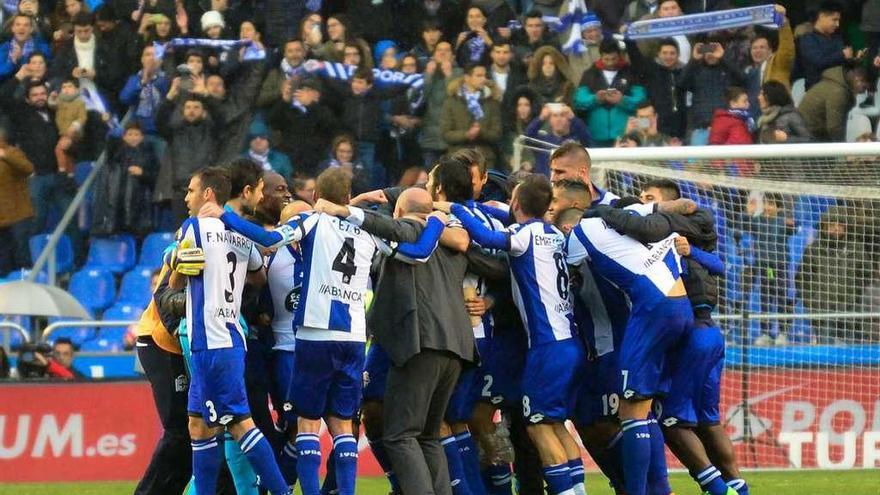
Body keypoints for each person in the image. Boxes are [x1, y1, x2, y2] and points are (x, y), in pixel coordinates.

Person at [445, 174, 588, 495]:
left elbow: (483, 236)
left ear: (517, 203)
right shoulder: (552, 232)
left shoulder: (525, 235)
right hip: (570, 342)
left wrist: (455, 207)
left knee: (538, 426)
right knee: (555, 424)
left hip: (548, 347)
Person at [169, 166, 290, 495]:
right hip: (230, 333)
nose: (186, 198)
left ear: (208, 194)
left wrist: (182, 268)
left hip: (211, 341)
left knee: (240, 424)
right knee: (198, 425)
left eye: (191, 191)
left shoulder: (192, 227)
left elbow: (174, 280)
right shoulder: (241, 234)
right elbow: (258, 275)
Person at [566, 197, 693, 495]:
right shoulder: (640, 225)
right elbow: (687, 208)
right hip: (680, 306)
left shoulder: (583, 231)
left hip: (651, 311)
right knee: (641, 407)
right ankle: (662, 490)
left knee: (632, 410)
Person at [156, 94, 222, 225]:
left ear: (203, 111)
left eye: (196, 107)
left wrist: (206, 95)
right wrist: (169, 97)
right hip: (180, 191)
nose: (192, 110)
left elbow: (220, 117)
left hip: (205, 191)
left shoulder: (212, 131)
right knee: (182, 233)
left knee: (206, 230)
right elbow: (159, 121)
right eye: (188, 107)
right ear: (183, 111)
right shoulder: (174, 132)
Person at [574, 39, 646, 147]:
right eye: (606, 59)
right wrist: (595, 99)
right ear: (601, 56)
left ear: (620, 55)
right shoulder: (590, 74)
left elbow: (642, 100)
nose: (610, 63)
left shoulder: (631, 72)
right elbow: (578, 101)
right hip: (596, 135)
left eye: (614, 59)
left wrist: (622, 100)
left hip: (625, 136)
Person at [90, 122, 158, 236]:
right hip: (117, 206)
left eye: (136, 134)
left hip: (140, 208)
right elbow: (110, 144)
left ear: (142, 137)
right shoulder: (116, 153)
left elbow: (156, 178)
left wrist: (143, 173)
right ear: (124, 136)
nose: (133, 138)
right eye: (129, 134)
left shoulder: (149, 155)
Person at [679, 38, 745, 145]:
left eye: (713, 50)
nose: (710, 54)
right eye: (707, 50)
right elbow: (681, 84)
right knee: (698, 161)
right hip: (701, 128)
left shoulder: (728, 70)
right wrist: (694, 60)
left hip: (725, 127)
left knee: (724, 161)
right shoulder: (695, 70)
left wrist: (724, 58)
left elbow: (743, 79)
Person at [441, 64, 503, 169]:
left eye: (484, 76)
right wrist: (467, 135)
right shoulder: (451, 102)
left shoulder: (492, 103)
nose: (483, 79)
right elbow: (446, 133)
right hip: (457, 159)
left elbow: (496, 134)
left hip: (484, 159)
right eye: (479, 76)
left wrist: (480, 133)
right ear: (467, 78)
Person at [625, 38, 687, 139]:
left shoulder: (685, 72)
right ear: (658, 54)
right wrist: (628, 39)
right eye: (665, 53)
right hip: (654, 128)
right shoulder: (651, 70)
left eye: (672, 53)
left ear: (678, 55)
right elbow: (635, 57)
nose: (668, 56)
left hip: (680, 128)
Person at [797, 1, 857, 91]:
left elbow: (843, 65)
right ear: (822, 16)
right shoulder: (808, 39)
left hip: (840, 89)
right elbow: (818, 62)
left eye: (838, 20)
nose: (837, 24)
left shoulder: (837, 37)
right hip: (818, 92)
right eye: (834, 20)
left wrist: (853, 59)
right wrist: (842, 54)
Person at [0, 128, 34, 276]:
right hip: (2, 220)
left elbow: (28, 168)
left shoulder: (12, 152)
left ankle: (29, 287)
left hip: (19, 215)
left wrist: (4, 155)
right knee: (4, 260)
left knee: (22, 256)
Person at [524, 103, 592, 175]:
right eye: (555, 116)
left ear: (569, 120)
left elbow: (587, 140)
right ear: (550, 120)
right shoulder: (542, 140)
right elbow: (527, 137)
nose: (558, 119)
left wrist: (573, 118)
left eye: (562, 115)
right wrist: (541, 117)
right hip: (544, 184)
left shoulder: (576, 140)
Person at [0, 14, 51, 80]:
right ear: (13, 28)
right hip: (9, 86)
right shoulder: (4, 47)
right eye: (18, 25)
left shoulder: (42, 46)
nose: (21, 28)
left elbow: (48, 68)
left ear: (31, 29)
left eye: (26, 25)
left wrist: (23, 59)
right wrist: (12, 62)